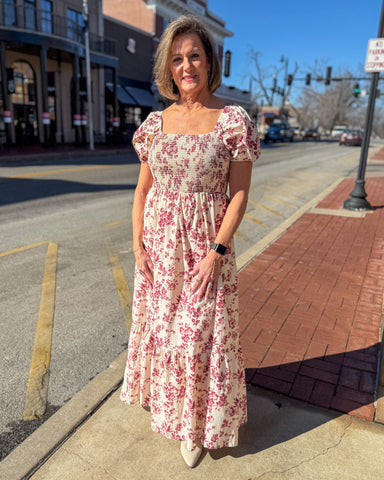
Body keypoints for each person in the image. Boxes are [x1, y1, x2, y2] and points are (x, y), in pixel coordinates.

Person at [120, 15, 260, 468]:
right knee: (164, 335)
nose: (187, 66)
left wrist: (217, 253)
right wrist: (138, 247)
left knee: (198, 337)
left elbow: (238, 194)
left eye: (194, 55)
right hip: (160, 254)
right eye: (178, 58)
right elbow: (143, 190)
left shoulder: (232, 120)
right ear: (168, 66)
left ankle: (196, 426)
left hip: (205, 253)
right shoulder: (155, 124)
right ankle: (172, 412)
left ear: (209, 61)